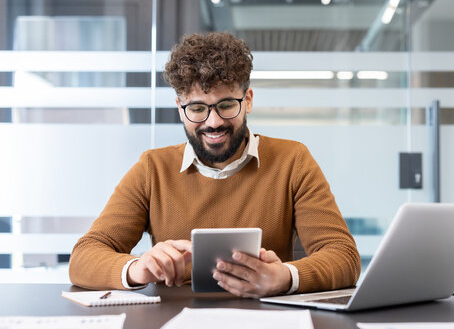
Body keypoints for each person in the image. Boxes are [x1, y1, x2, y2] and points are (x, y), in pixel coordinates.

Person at [69, 32, 360, 298]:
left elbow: (343, 255)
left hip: (266, 316)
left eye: (226, 105)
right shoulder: (152, 168)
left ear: (247, 100)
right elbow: (84, 257)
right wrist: (137, 268)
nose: (213, 122)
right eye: (197, 108)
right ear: (180, 108)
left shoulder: (292, 160)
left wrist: (285, 277)